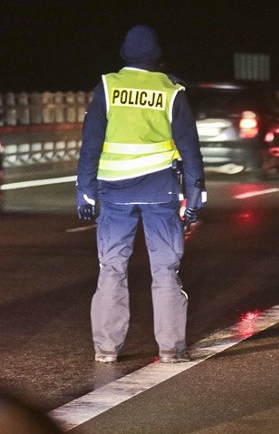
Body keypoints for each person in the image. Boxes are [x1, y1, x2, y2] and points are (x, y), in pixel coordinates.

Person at [76, 24, 206, 364]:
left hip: (115, 193)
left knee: (111, 268)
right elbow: (190, 149)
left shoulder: (108, 86)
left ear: (124, 53)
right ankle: (170, 349)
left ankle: (106, 349)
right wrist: (195, 195)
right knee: (165, 269)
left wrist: (85, 190)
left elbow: (90, 144)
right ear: (156, 54)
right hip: (159, 192)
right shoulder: (171, 90)